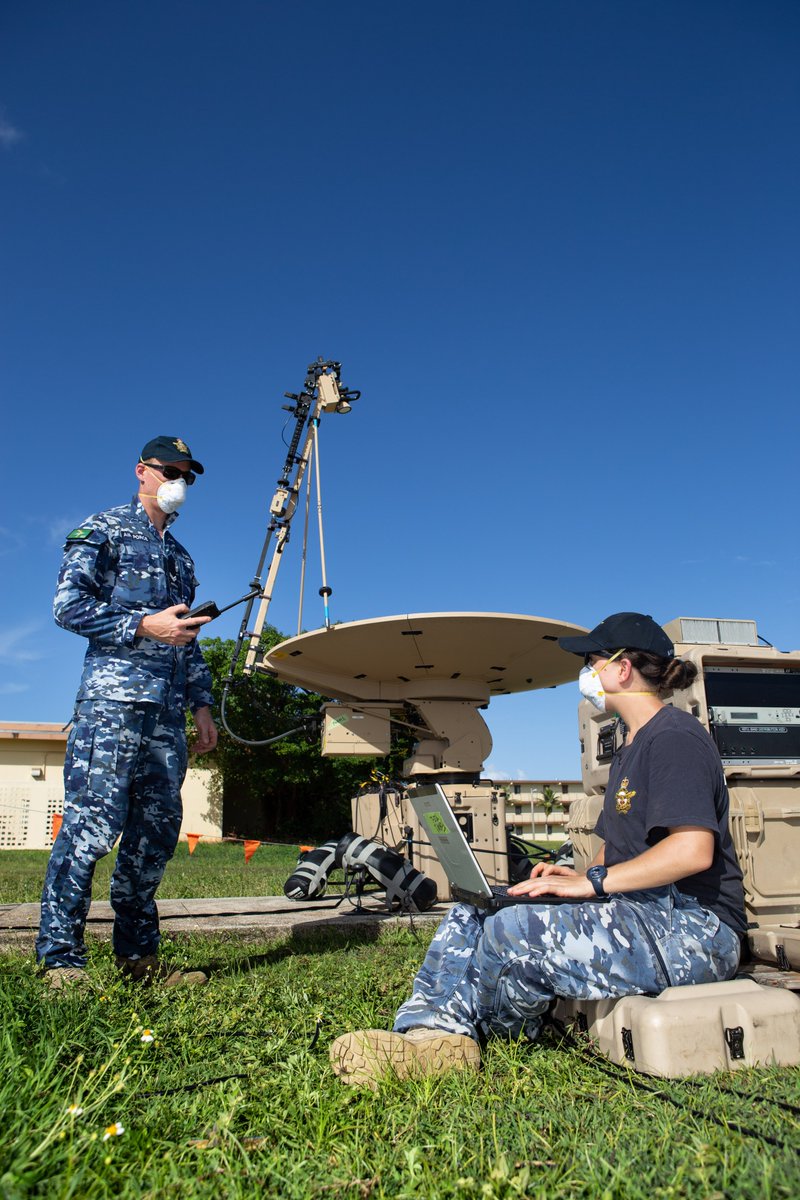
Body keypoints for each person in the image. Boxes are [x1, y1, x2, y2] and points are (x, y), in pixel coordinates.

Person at [329, 612, 746, 1086]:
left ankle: (484, 1036)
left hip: (695, 929)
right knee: (474, 912)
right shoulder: (632, 746)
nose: (585, 675)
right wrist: (571, 878)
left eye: (591, 662)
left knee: (514, 933)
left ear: (622, 668)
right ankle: (430, 1034)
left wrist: (594, 885)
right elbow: (619, 850)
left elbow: (692, 852)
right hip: (642, 909)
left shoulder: (675, 738)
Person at [37, 436, 218, 990]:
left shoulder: (182, 558)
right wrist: (143, 624)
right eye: (170, 471)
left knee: (154, 836)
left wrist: (202, 704)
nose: (178, 482)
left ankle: (139, 960)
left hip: (166, 715)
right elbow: (67, 606)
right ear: (142, 471)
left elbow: (188, 638)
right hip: (113, 703)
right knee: (90, 829)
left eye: (188, 475)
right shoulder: (104, 529)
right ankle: (60, 960)